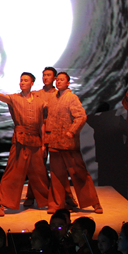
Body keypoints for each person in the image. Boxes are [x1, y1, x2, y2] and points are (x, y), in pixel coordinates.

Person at [0, 72, 50, 217]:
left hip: (35, 141)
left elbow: (42, 124)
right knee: (12, 173)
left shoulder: (40, 102)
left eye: (25, 80)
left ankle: (47, 201)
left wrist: (44, 144)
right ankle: (2, 204)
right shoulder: (14, 98)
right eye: (21, 80)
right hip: (20, 140)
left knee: (40, 173)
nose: (22, 82)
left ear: (32, 83)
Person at [44, 72, 102, 214]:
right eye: (57, 79)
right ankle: (56, 204)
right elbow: (48, 119)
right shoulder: (52, 98)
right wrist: (46, 139)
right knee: (56, 176)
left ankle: (94, 202)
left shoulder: (71, 97)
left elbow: (81, 116)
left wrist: (72, 131)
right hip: (54, 143)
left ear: (68, 83)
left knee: (79, 173)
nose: (58, 82)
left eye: (62, 80)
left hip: (68, 143)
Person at [25, 67, 75, 209]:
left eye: (48, 75)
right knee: (36, 166)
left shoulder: (59, 94)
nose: (45, 77)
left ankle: (67, 196)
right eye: (44, 75)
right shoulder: (36, 94)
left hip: (55, 133)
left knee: (59, 168)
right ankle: (31, 195)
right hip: (39, 133)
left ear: (54, 78)